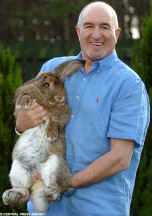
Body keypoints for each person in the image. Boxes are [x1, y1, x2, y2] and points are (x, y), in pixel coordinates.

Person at [15, 1, 150, 216]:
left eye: (104, 27)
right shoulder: (52, 69)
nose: (96, 34)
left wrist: (65, 183)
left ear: (117, 33)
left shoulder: (128, 85)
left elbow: (119, 158)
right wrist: (21, 123)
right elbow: (26, 124)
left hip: (99, 209)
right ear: (78, 31)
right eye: (89, 26)